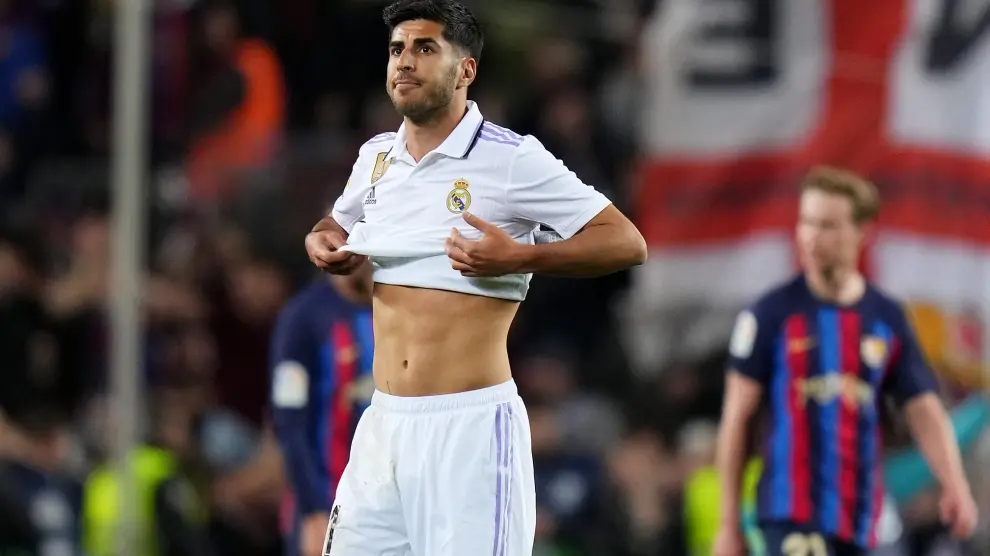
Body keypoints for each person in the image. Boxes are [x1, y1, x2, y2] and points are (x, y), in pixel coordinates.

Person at [303, 0, 647, 553]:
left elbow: (625, 241)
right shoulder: (376, 157)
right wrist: (321, 238)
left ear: (466, 70)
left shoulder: (511, 158)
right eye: (397, 49)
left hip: (470, 431)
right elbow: (335, 223)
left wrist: (520, 258)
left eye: (425, 48)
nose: (404, 61)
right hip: (383, 425)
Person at [712, 167, 978, 556]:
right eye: (806, 222)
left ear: (861, 232)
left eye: (828, 226)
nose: (811, 237)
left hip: (864, 520)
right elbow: (737, 418)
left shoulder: (886, 318)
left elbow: (923, 407)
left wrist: (954, 484)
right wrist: (728, 523)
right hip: (790, 513)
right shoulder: (769, 314)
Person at [270, 266, 375, 556]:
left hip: (385, 501)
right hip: (326, 499)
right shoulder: (303, 317)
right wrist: (312, 511)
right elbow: (289, 420)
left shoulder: (397, 309)